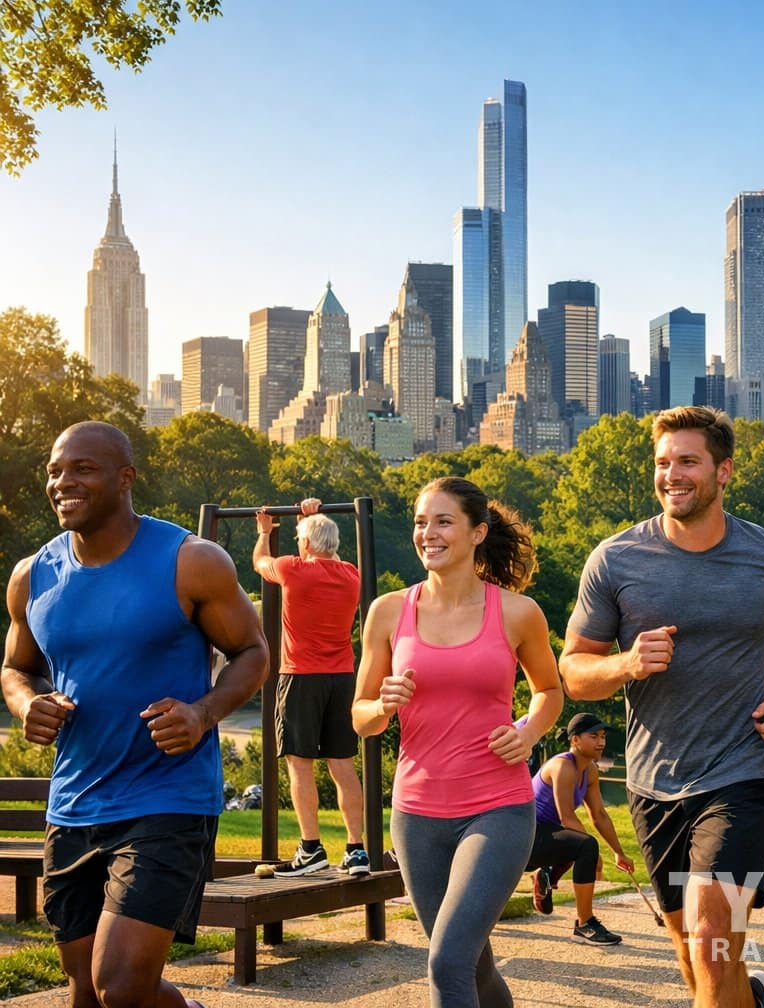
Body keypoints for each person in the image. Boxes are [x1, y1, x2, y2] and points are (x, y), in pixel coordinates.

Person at [559, 405, 764, 1008]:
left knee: (713, 937)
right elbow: (575, 672)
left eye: (688, 461)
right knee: (693, 951)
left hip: (745, 771)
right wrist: (626, 664)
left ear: (724, 471)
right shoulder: (616, 559)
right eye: (663, 463)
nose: (672, 474)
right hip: (654, 780)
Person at [1, 421, 268, 1008]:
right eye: (54, 471)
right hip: (74, 803)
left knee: (119, 987)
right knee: (87, 992)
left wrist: (202, 713)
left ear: (125, 480)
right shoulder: (32, 576)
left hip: (168, 798)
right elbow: (16, 668)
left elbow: (253, 653)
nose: (62, 483)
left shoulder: (191, 562)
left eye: (82, 469)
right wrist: (28, 704)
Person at [352, 476, 563, 1007]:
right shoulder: (387, 611)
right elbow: (361, 719)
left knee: (447, 962)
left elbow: (549, 691)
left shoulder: (517, 612)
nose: (429, 533)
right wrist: (383, 704)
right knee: (474, 965)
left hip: (497, 810)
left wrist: (530, 731)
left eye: (444, 521)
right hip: (416, 815)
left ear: (477, 533)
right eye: (422, 522)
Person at [253, 497, 368, 877]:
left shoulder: (292, 569)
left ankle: (311, 848)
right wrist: (311, 520)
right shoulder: (351, 573)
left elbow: (259, 563)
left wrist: (265, 533)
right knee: (342, 764)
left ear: (303, 545)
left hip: (300, 676)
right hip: (342, 679)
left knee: (299, 765)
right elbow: (322, 551)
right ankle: (355, 850)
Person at [525, 711, 635, 945]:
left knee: (585, 845)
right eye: (594, 736)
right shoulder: (562, 766)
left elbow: (599, 815)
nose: (601, 742)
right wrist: (593, 853)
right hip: (524, 836)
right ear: (575, 740)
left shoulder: (590, 770)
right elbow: (566, 817)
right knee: (586, 846)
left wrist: (618, 852)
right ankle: (584, 924)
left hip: (547, 835)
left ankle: (546, 874)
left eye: (603, 736)